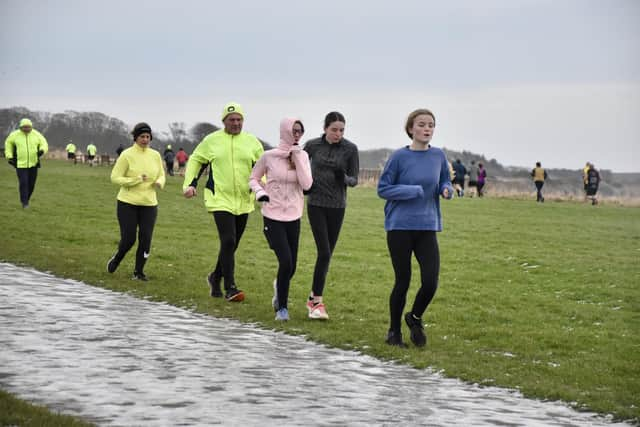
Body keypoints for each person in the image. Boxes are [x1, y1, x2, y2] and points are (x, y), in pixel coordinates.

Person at [377, 108, 453, 348]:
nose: (427, 129)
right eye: (421, 124)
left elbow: (444, 180)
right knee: (403, 281)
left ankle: (415, 318)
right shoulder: (399, 157)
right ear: (411, 129)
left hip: (427, 226)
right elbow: (383, 188)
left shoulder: (438, 156)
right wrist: (412, 190)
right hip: (400, 226)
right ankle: (394, 332)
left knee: (430, 282)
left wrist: (447, 189)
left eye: (431, 124)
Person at [183, 102, 264, 302]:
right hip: (219, 198)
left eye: (239, 120)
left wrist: (264, 188)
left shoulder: (252, 142)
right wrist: (190, 184)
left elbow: (263, 167)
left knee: (232, 244)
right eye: (231, 120)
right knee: (228, 240)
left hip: (244, 200)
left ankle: (215, 276)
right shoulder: (211, 141)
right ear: (224, 121)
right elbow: (196, 160)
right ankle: (230, 287)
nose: (236, 123)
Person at [249, 118, 313, 321]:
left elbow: (307, 185)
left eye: (300, 131)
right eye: (294, 130)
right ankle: (282, 309)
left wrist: (298, 158)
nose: (297, 134)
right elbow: (253, 178)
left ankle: (279, 287)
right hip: (272, 215)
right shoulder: (268, 156)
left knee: (291, 266)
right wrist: (260, 192)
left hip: (294, 216)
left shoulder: (303, 156)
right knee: (285, 261)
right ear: (285, 131)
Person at [303, 111, 359, 320]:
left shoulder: (350, 149)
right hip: (316, 203)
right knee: (324, 252)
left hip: (337, 206)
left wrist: (342, 177)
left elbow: (354, 180)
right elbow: (297, 164)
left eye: (342, 130)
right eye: (334, 129)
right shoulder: (312, 145)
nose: (338, 134)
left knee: (326, 255)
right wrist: (304, 184)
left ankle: (312, 298)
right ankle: (317, 302)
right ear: (325, 128)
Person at [107, 123, 165, 281]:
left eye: (148, 137)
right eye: (142, 137)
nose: (145, 140)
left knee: (146, 238)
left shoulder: (155, 155)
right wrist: (136, 180)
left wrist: (160, 182)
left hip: (149, 204)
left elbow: (161, 174)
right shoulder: (126, 155)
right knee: (129, 239)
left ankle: (138, 272)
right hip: (127, 203)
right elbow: (115, 177)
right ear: (135, 137)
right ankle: (117, 258)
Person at [4, 118, 48, 208]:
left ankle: (26, 199)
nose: (27, 129)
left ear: (31, 127)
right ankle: (24, 203)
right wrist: (9, 156)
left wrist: (42, 150)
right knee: (23, 183)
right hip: (20, 164)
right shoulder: (14, 135)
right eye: (25, 127)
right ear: (21, 127)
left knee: (31, 184)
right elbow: (8, 144)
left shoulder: (36, 134)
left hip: (34, 163)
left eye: (28, 127)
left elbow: (44, 143)